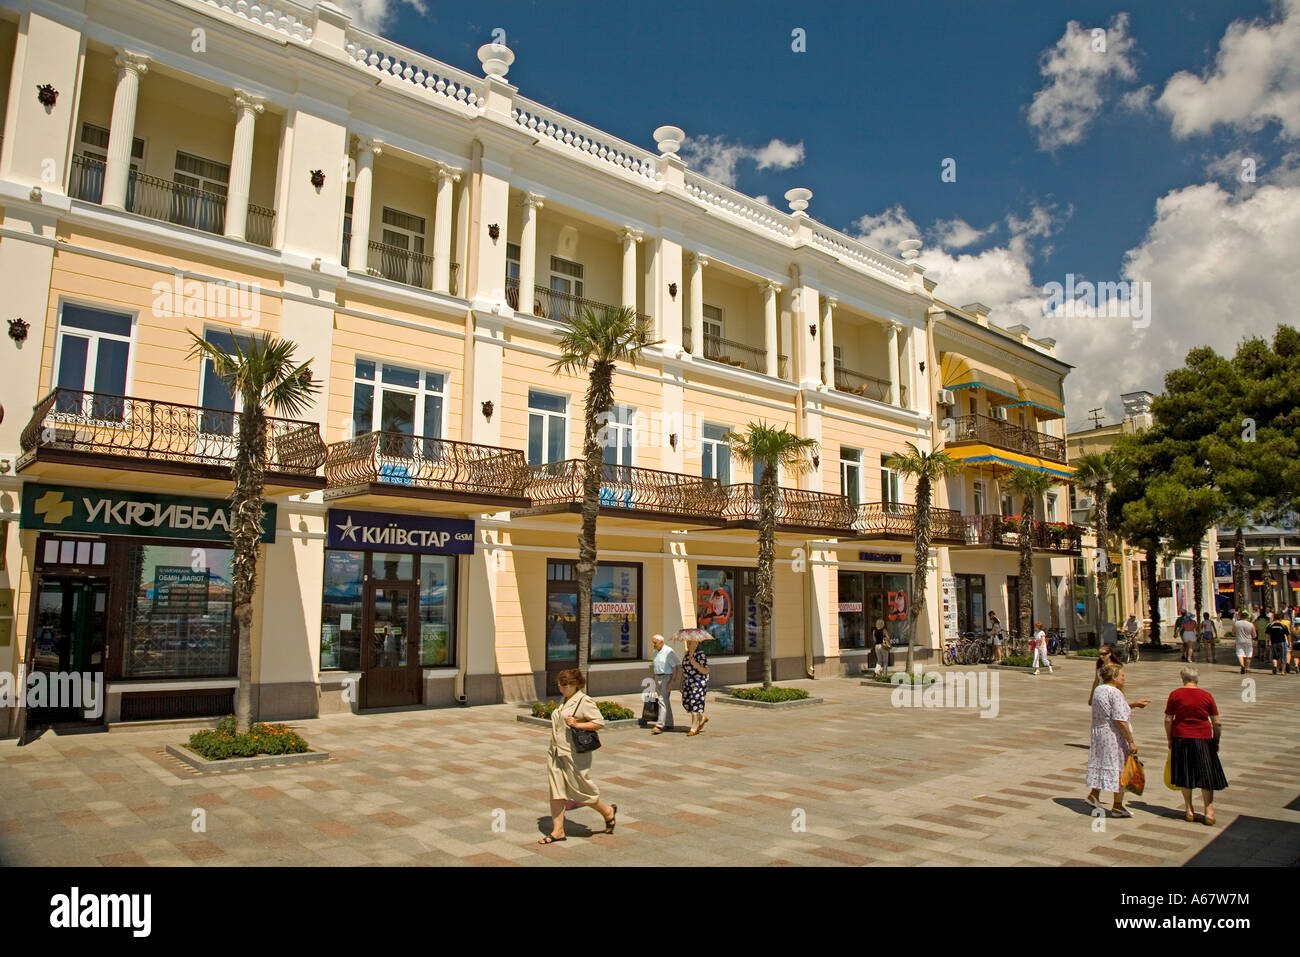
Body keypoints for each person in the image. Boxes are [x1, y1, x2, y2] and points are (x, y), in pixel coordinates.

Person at [540, 668, 617, 844]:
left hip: (573, 754)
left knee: (582, 792)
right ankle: (558, 830)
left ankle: (607, 811)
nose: (562, 688)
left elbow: (599, 723)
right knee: (556, 791)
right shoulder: (565, 699)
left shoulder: (584, 700)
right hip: (555, 752)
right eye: (560, 684)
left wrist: (577, 725)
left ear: (576, 684)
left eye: (566, 685)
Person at [1164, 666, 1227, 825]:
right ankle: (1209, 811)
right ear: (1197, 679)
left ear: (1182, 678)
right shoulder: (1206, 696)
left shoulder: (1175, 695)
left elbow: (1168, 719)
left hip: (1181, 737)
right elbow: (1217, 722)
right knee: (1206, 774)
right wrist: (1216, 741)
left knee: (1185, 773)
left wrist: (1169, 739)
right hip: (1203, 738)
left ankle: (1189, 809)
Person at [1086, 661, 1140, 818]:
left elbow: (1110, 709)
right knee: (1120, 767)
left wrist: (1134, 704)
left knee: (1103, 763)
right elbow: (1119, 718)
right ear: (1115, 677)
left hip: (1099, 733)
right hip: (1113, 734)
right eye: (1122, 675)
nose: (1124, 678)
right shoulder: (1115, 692)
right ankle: (1117, 805)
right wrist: (1130, 741)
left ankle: (1094, 794)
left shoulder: (1099, 690)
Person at [649, 634, 680, 734]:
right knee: (665, 700)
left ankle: (660, 725)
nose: (653, 645)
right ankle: (669, 723)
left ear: (661, 642)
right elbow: (655, 666)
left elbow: (675, 667)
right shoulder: (654, 652)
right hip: (658, 676)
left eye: (655, 643)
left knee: (662, 700)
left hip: (667, 677)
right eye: (653, 642)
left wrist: (672, 681)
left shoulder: (669, 651)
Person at [681, 635, 710, 736]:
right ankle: (701, 718)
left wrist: (695, 664)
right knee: (686, 702)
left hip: (698, 682)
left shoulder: (700, 655)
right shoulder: (686, 655)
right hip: (688, 682)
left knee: (694, 702)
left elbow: (706, 670)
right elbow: (684, 671)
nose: (689, 644)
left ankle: (694, 727)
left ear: (696, 644)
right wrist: (682, 683)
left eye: (691, 642)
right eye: (687, 642)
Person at [1264, 611, 1290, 676]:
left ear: (1273, 618)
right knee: (1283, 657)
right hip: (1282, 642)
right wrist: (1289, 643)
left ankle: (1275, 666)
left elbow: (1267, 635)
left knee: (1274, 656)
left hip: (1273, 643)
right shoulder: (1283, 625)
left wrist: (1267, 642)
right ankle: (1283, 672)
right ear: (1280, 618)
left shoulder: (1270, 625)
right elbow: (1288, 635)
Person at [1232, 610, 1257, 675]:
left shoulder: (1236, 623)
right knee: (1248, 654)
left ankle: (1242, 665)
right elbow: (1254, 635)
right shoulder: (1251, 624)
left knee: (1240, 654)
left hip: (1239, 640)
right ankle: (1248, 668)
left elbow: (1233, 633)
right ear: (1247, 617)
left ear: (1240, 617)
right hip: (1248, 641)